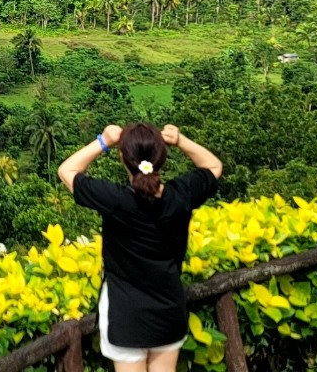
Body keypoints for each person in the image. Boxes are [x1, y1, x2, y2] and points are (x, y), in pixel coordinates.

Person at [57, 123, 223, 372]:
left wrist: (103, 141)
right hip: (168, 310)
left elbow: (66, 170)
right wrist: (180, 140)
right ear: (162, 158)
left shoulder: (116, 200)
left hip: (126, 316)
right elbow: (213, 166)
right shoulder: (180, 196)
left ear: (124, 157)